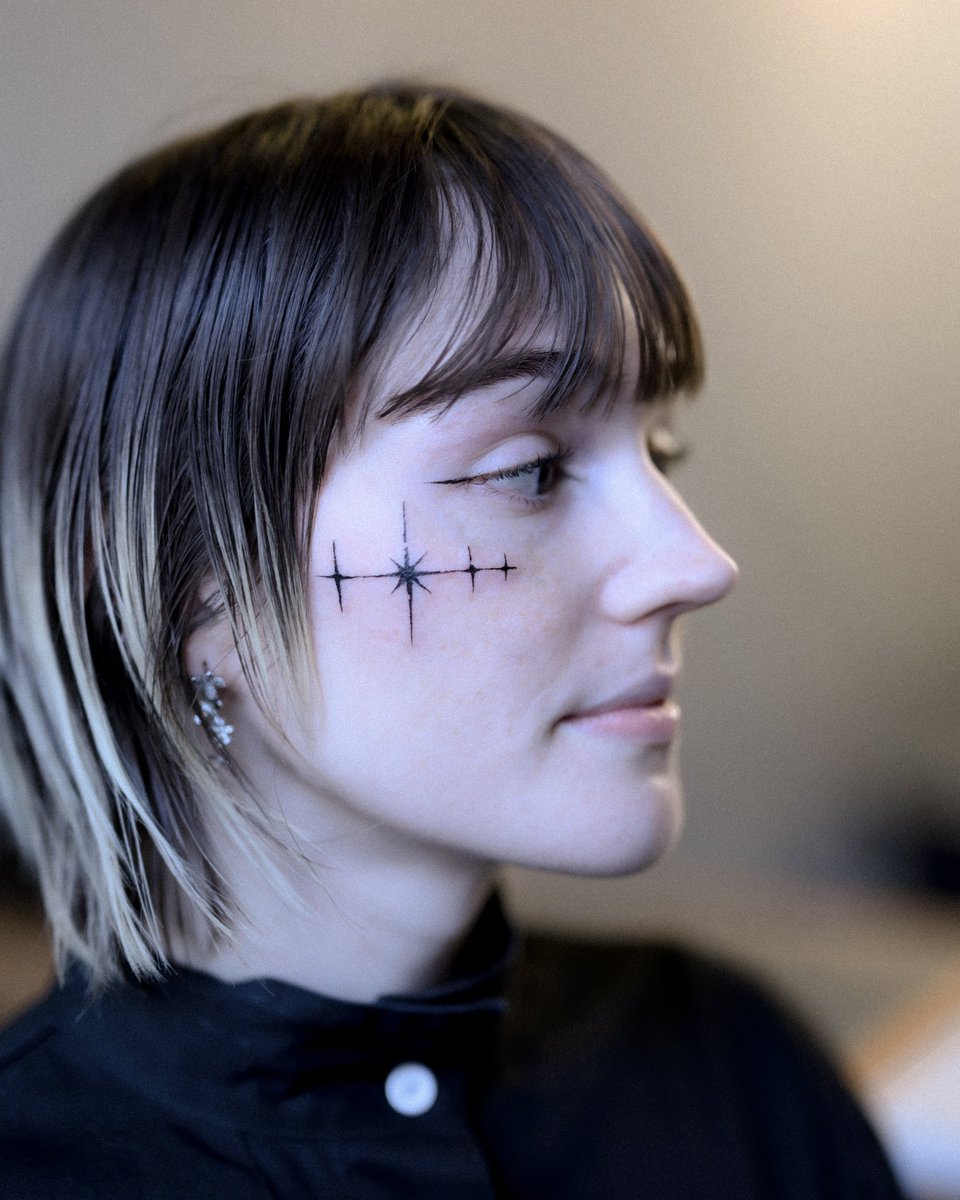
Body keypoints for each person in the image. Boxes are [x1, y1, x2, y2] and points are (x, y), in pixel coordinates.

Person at [0, 84, 903, 1197]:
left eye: (660, 456)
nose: (696, 565)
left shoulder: (735, 1074)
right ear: (191, 598)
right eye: (531, 469)